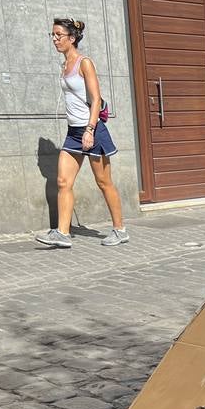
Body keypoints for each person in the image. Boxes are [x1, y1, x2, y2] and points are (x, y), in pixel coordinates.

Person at [37, 17, 128, 248]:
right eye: (53, 35)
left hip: (92, 130)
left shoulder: (84, 63)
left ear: (72, 38)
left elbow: (96, 99)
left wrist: (90, 129)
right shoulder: (64, 64)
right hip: (72, 132)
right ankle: (63, 233)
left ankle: (120, 230)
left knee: (103, 181)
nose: (55, 39)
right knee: (62, 181)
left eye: (59, 35)